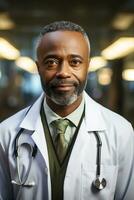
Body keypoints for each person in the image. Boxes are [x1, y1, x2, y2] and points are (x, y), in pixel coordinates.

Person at [0, 21, 134, 200]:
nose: (63, 72)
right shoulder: (7, 133)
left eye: (75, 62)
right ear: (38, 67)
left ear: (88, 66)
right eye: (51, 62)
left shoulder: (121, 132)